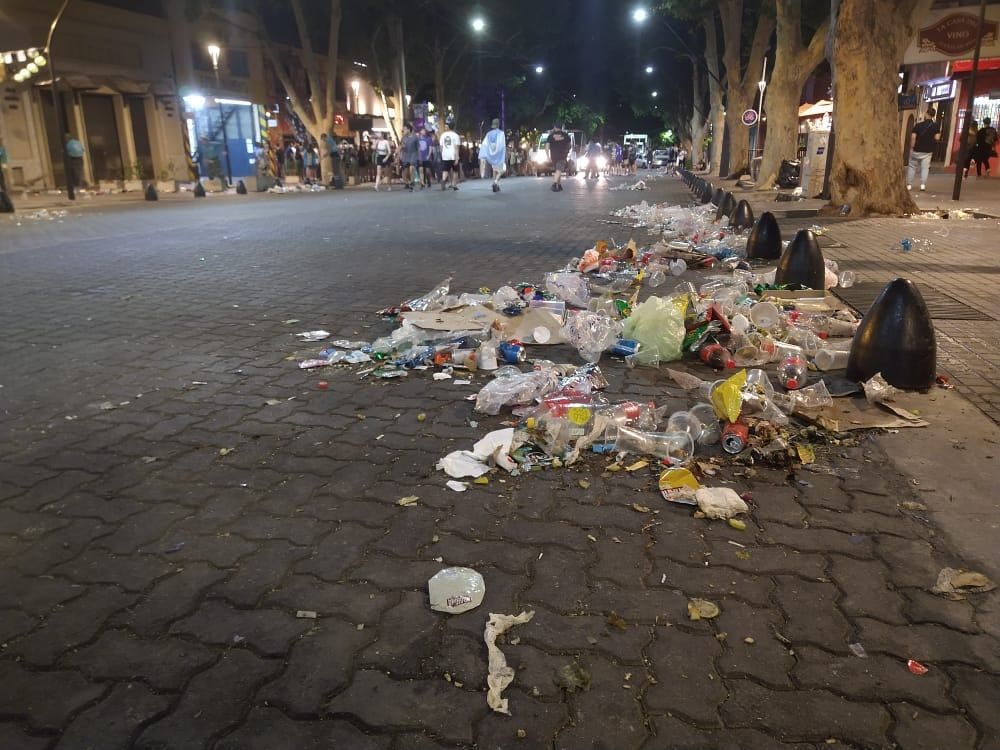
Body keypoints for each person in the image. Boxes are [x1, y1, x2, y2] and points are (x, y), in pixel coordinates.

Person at [907, 107, 939, 192]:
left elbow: (913, 137)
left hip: (916, 150)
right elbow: (937, 137)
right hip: (928, 151)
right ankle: (922, 185)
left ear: (926, 114)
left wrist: (912, 147)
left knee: (912, 167)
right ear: (933, 115)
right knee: (925, 168)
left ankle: (909, 185)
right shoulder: (935, 126)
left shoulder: (918, 125)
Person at [481, 118, 507, 193]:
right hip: (499, 154)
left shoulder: (488, 134)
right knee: (502, 170)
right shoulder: (501, 133)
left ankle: (496, 185)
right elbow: (502, 145)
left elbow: (485, 144)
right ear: (498, 125)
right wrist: (504, 155)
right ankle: (495, 182)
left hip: (492, 154)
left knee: (494, 170)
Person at [547, 122, 571, 192]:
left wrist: (547, 156)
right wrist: (567, 151)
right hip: (562, 155)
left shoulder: (551, 136)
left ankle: (559, 185)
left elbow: (547, 146)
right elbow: (569, 145)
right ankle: (554, 184)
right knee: (559, 170)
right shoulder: (566, 135)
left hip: (553, 156)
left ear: (555, 127)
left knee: (558, 170)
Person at [439, 116, 461, 191]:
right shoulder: (456, 136)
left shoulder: (442, 135)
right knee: (455, 170)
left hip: (445, 155)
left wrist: (442, 154)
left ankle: (443, 179)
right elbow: (456, 147)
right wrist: (457, 157)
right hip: (453, 155)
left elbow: (441, 147)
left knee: (445, 170)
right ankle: (454, 185)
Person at [400, 123, 419, 190]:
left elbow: (418, 148)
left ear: (408, 129)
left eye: (404, 129)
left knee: (411, 168)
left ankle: (412, 182)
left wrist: (419, 157)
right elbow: (401, 147)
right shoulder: (403, 138)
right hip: (405, 156)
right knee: (405, 171)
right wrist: (399, 155)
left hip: (413, 155)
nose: (403, 130)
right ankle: (408, 182)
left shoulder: (415, 137)